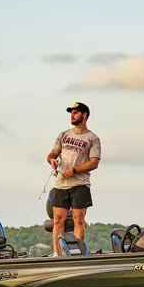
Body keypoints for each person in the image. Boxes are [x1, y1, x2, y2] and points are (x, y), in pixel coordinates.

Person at [46, 102, 101, 256]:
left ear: (84, 115)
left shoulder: (93, 138)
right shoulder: (64, 135)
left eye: (75, 113)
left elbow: (94, 162)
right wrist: (51, 160)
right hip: (61, 184)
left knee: (78, 218)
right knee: (58, 219)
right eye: (71, 113)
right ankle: (57, 253)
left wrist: (75, 170)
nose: (72, 115)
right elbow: (52, 154)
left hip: (80, 184)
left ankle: (77, 252)